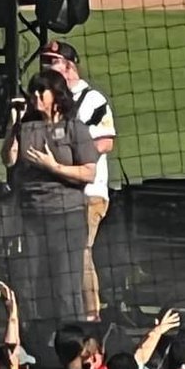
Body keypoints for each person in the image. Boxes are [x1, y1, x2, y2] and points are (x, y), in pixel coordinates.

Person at [3, 69, 99, 328]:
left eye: (41, 91)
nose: (35, 96)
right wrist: (15, 125)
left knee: (65, 284)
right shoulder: (26, 127)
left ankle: (73, 335)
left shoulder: (73, 128)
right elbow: (9, 159)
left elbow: (89, 172)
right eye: (33, 91)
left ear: (56, 96)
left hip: (66, 217)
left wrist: (53, 166)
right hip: (32, 217)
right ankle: (34, 337)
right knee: (31, 283)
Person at [39, 40, 117, 321]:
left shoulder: (92, 100)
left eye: (52, 61)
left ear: (69, 66)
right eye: (45, 61)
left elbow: (106, 142)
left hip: (89, 193)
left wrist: (64, 160)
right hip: (54, 196)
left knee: (79, 253)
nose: (46, 66)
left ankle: (90, 317)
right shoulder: (46, 100)